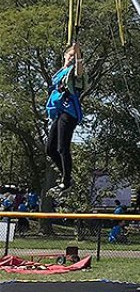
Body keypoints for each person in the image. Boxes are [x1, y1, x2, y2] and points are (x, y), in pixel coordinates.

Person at [45, 42, 84, 194]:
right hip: (60, 113)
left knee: (62, 147)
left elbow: (79, 70)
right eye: (70, 56)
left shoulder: (75, 72)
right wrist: (72, 52)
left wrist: (78, 54)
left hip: (69, 113)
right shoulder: (61, 73)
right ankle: (66, 177)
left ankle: (66, 181)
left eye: (74, 57)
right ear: (65, 56)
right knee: (50, 149)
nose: (71, 59)